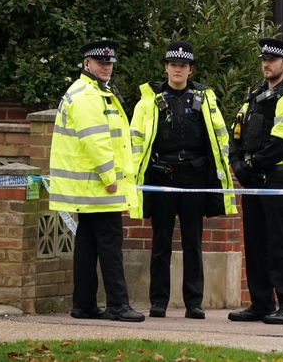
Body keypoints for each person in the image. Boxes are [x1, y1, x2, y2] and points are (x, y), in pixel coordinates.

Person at [130, 41, 236, 320]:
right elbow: (136, 141)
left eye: (183, 65)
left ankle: (194, 303)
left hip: (194, 177)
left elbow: (221, 139)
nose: (177, 70)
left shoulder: (205, 100)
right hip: (161, 175)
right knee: (160, 242)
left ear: (190, 69)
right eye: (173, 65)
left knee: (193, 243)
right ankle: (158, 302)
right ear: (166, 67)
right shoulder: (148, 101)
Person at [48, 39, 144, 322]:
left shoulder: (92, 91)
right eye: (101, 63)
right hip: (99, 185)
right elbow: (95, 138)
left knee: (87, 245)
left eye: (110, 63)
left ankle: (84, 305)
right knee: (111, 245)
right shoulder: (87, 95)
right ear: (86, 63)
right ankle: (118, 305)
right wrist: (109, 175)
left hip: (89, 186)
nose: (106, 67)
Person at [227, 38, 283, 325]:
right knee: (255, 243)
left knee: (280, 244)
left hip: (277, 178)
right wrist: (238, 164)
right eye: (264, 59)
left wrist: (251, 164)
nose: (266, 64)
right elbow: (236, 133)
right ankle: (261, 304)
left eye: (272, 60)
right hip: (254, 180)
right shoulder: (255, 96)